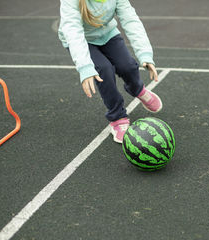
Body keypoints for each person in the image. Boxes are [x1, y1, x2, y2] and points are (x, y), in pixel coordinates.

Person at [58, 0, 162, 143]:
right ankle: (117, 117)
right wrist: (85, 67)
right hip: (82, 40)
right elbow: (73, 30)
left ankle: (137, 89)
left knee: (128, 66)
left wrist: (145, 54)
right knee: (103, 70)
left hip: (107, 33)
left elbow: (131, 20)